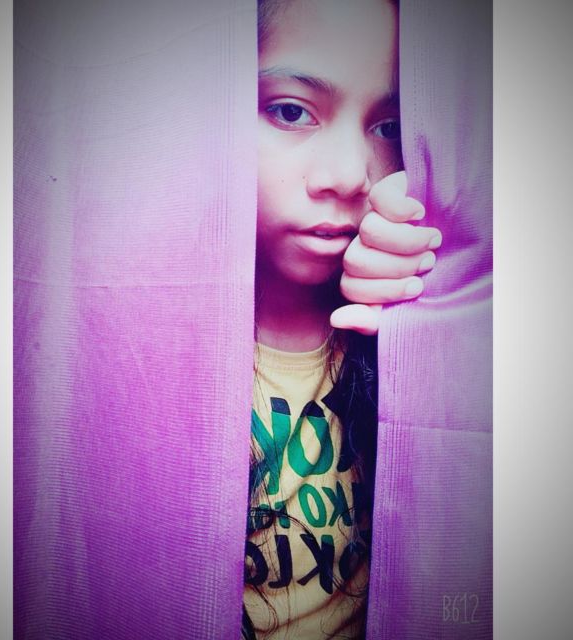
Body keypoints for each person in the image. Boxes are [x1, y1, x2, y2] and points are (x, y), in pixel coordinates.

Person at [243, 1, 442, 638]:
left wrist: (428, 320)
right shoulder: (131, 331)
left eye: (388, 126)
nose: (351, 176)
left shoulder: (420, 308)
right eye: (290, 111)